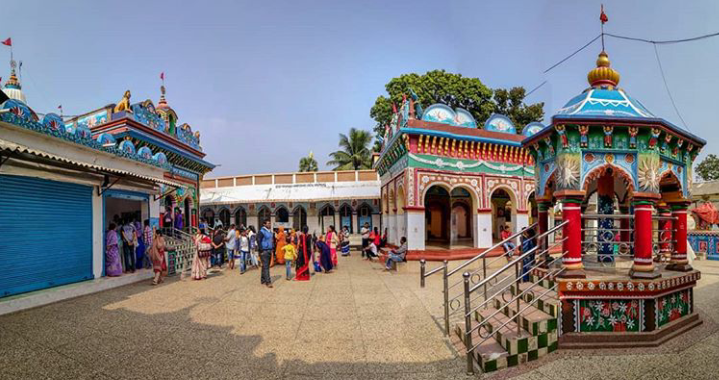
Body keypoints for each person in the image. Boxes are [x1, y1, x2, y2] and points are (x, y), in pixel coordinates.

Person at [256, 219, 275, 288]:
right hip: (264, 251)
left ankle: (263, 279)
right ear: (264, 224)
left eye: (270, 223)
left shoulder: (269, 232)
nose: (269, 224)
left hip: (269, 250)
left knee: (264, 266)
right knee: (266, 267)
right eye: (268, 223)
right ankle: (268, 282)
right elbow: (258, 240)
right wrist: (261, 250)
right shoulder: (261, 232)